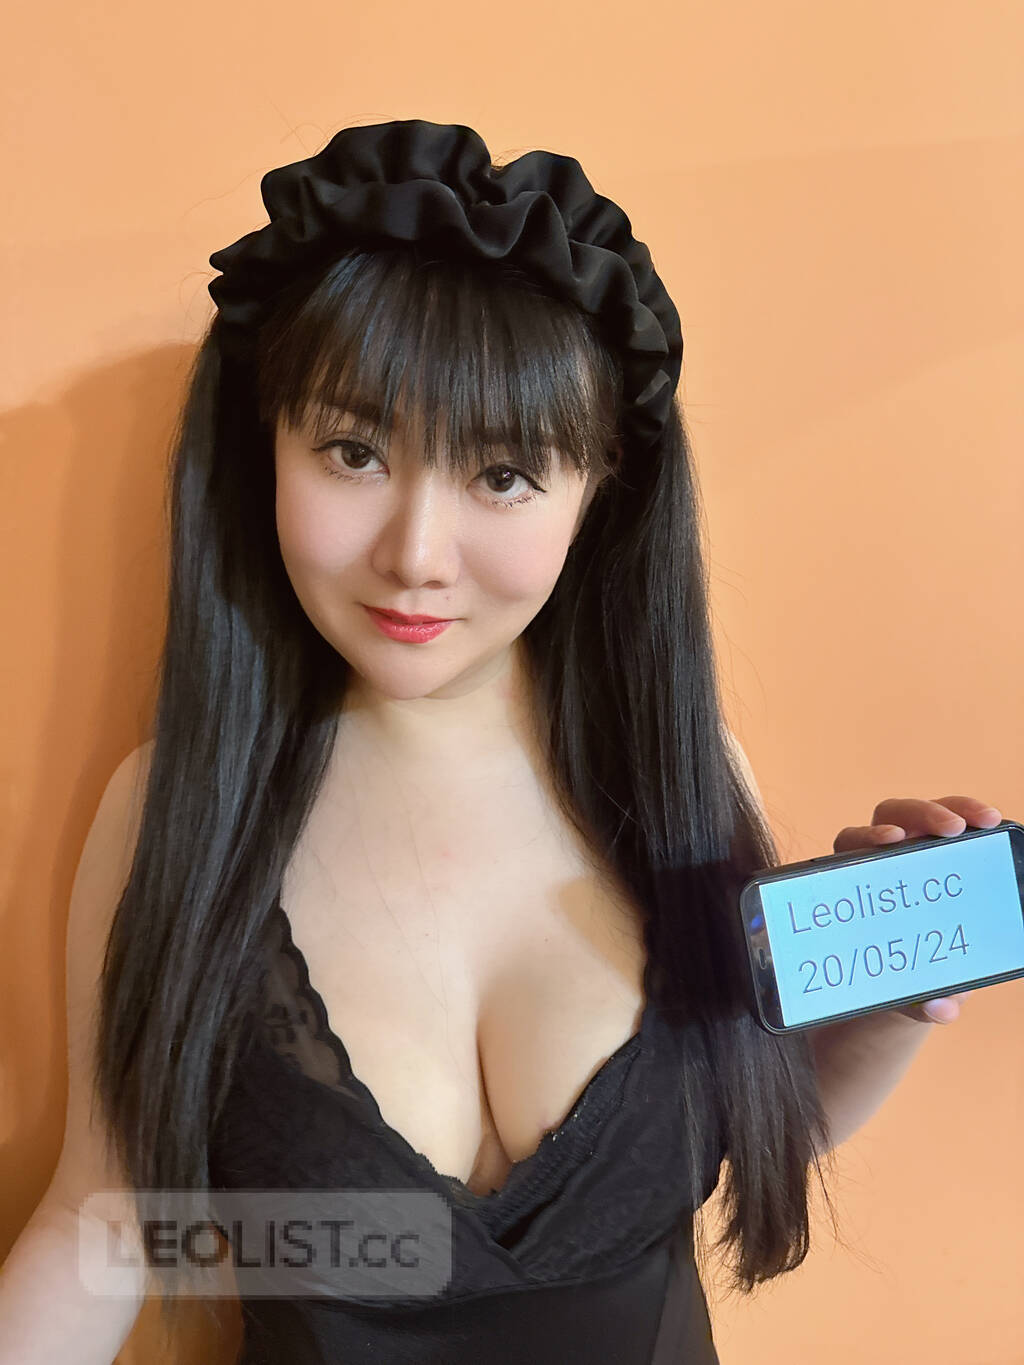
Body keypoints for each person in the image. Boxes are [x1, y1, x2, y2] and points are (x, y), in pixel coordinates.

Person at [0, 118, 842, 1363]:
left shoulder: (685, 779)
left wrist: (894, 1013)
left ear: (601, 486)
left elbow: (732, 1137)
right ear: (264, 448)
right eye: (352, 452)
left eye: (501, 476)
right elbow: (109, 1227)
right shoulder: (178, 812)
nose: (415, 554)